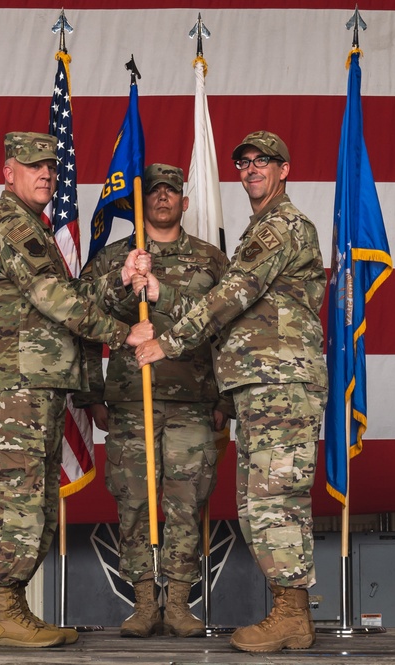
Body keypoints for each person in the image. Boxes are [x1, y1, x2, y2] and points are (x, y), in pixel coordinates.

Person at [135, 132, 327, 652]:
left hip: (281, 383)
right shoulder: (260, 228)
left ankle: (291, 615)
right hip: (263, 384)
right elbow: (236, 301)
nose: (251, 168)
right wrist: (165, 294)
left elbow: (231, 295)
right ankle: (289, 614)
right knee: (257, 500)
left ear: (284, 169)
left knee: (274, 499)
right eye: (243, 161)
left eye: (263, 161)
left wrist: (166, 342)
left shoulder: (283, 225)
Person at [0, 131, 152, 648]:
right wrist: (123, 333)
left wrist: (120, 277)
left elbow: (69, 291)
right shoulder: (9, 226)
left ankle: (15, 609)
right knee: (17, 497)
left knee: (37, 497)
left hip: (38, 383)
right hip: (15, 387)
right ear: (8, 171)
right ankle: (4, 612)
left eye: (50, 165)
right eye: (32, 166)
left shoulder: (35, 227)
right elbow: (52, 297)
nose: (45, 173)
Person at [75, 163, 232, 639]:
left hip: (193, 402)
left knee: (187, 503)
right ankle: (144, 603)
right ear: (140, 203)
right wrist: (90, 394)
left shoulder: (210, 260)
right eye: (154, 192)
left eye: (171, 191)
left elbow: (228, 328)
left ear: (185, 202)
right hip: (128, 401)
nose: (163, 198)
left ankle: (180, 603)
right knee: (134, 504)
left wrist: (226, 397)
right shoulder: (111, 261)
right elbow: (82, 324)